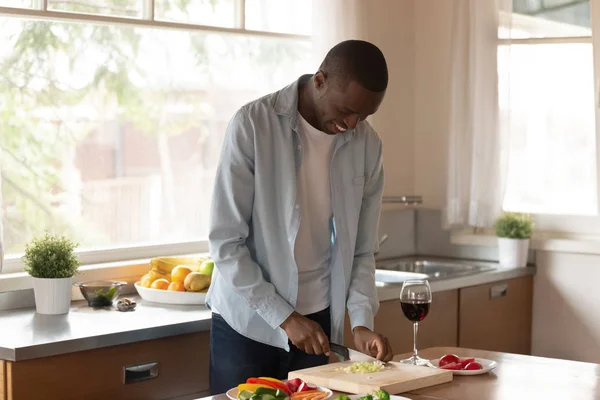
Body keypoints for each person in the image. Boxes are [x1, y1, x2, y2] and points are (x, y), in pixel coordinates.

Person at [206, 39, 393, 395]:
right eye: (348, 109)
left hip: (319, 326)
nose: (353, 124)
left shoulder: (368, 146)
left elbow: (362, 250)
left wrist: (362, 323)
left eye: (365, 116)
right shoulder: (253, 125)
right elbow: (226, 242)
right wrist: (285, 317)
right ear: (319, 80)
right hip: (248, 324)